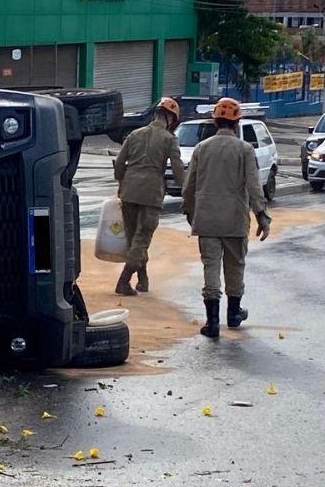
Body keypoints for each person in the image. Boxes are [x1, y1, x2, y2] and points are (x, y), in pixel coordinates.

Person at [180, 97, 272, 339]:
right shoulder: (245, 150)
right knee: (235, 267)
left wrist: (191, 212)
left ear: (214, 121)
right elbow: (254, 186)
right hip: (235, 221)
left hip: (207, 221)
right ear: (237, 123)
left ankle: (212, 323)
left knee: (211, 268)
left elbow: (189, 187)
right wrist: (262, 215)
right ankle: (233, 315)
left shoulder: (202, 148)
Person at [112, 97, 184, 295]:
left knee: (133, 238)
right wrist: (187, 193)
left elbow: (119, 164)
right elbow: (178, 171)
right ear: (171, 119)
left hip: (129, 191)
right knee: (142, 239)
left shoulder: (135, 134)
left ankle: (143, 280)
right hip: (151, 194)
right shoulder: (169, 139)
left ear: (156, 114)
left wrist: (121, 184)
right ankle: (123, 281)